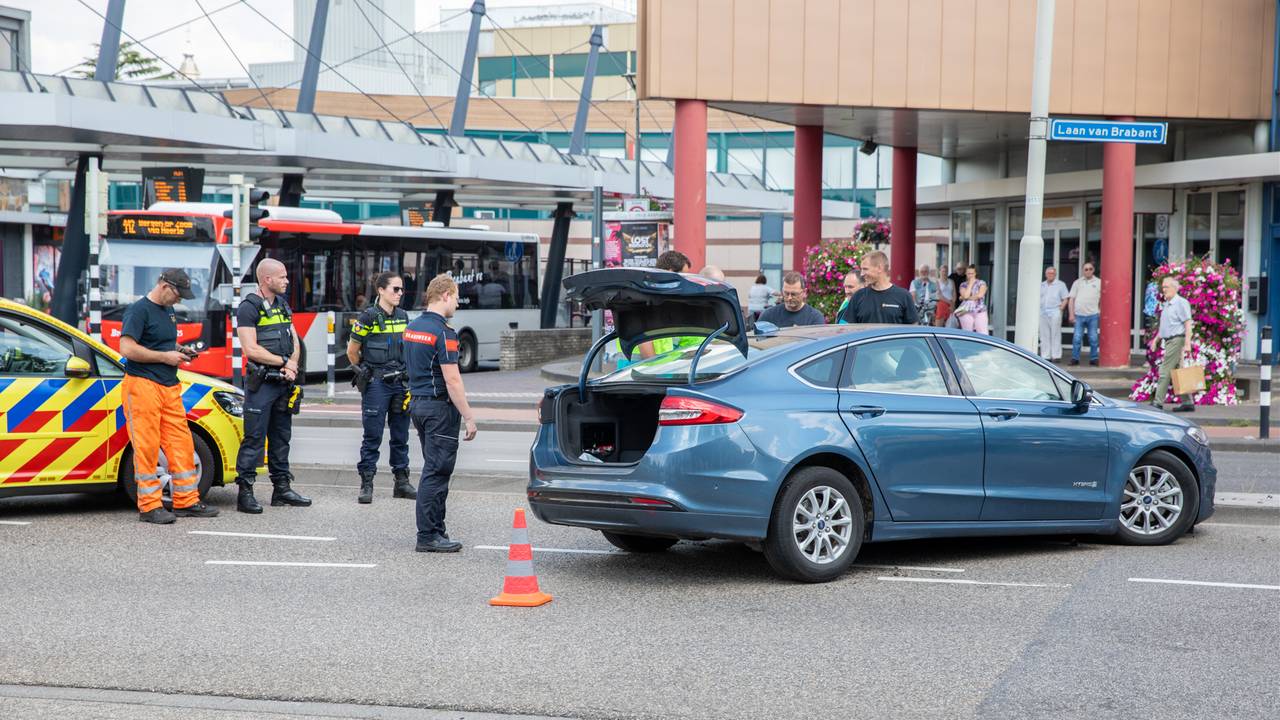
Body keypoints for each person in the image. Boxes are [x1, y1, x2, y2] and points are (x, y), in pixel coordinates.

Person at [119, 269, 219, 524]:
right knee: (147, 447)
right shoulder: (138, 311)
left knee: (181, 443)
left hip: (168, 386)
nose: (179, 299)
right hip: (142, 386)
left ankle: (186, 500)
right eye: (177, 294)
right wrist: (166, 357)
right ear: (164, 286)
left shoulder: (168, 310)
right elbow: (127, 348)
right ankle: (149, 507)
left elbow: (159, 342)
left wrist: (178, 349)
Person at [405, 274, 478, 553]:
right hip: (439, 409)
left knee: (433, 468)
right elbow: (453, 380)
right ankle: (428, 535)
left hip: (418, 405)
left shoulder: (412, 327)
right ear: (445, 295)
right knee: (437, 472)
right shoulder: (445, 333)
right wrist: (468, 417)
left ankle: (437, 529)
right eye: (456, 297)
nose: (457, 303)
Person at [234, 258, 311, 514]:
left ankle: (282, 489)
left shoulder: (282, 304)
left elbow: (294, 338)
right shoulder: (248, 308)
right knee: (254, 439)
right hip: (262, 384)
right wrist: (284, 363)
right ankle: (245, 493)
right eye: (282, 277)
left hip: (283, 383)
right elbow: (251, 349)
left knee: (281, 438)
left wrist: (292, 364)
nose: (286, 281)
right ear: (267, 279)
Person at [347, 272, 416, 504]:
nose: (400, 293)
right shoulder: (367, 317)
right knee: (372, 436)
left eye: (401, 289)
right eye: (395, 289)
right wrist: (366, 372)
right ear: (381, 290)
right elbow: (352, 352)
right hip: (377, 384)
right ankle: (367, 484)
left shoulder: (403, 316)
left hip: (400, 383)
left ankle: (402, 483)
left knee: (401, 436)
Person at [1151, 277, 1196, 412]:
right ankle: (1188, 403)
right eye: (1163, 287)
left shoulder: (1181, 303)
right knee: (1178, 372)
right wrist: (1156, 340)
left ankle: (1157, 402)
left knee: (1164, 371)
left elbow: (1188, 323)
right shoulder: (1167, 304)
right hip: (1169, 340)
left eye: (1166, 287)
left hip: (1177, 340)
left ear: (1175, 288)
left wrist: (1187, 343)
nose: (1163, 289)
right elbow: (1165, 326)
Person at [840, 251, 918, 324]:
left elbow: (913, 328)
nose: (862, 274)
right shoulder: (858, 296)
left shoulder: (903, 296)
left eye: (865, 269)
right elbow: (850, 329)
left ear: (879, 268)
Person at [758, 271, 826, 328]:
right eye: (786, 293)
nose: (789, 298)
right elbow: (756, 338)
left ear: (804, 292)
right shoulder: (768, 315)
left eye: (794, 294)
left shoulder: (815, 318)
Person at [1068, 262, 1102, 366]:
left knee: (1093, 338)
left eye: (1090, 269)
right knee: (1077, 338)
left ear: (1093, 270)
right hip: (1079, 315)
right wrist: (1071, 314)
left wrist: (1100, 310)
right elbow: (1071, 299)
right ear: (1083, 271)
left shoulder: (1099, 282)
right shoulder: (1077, 283)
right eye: (1086, 269)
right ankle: (1075, 358)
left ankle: (1094, 358)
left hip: (1093, 315)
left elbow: (1104, 298)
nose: (1088, 271)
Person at [1039, 267, 1070, 362]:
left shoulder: (1060, 284)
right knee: (1044, 335)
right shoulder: (1042, 285)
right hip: (1043, 311)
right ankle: (1046, 356)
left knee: (1055, 334)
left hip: (1055, 311)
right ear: (1045, 274)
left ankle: (1056, 356)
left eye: (1052, 273)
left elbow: (1066, 298)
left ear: (1055, 274)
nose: (1050, 275)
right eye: (1048, 273)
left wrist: (1061, 309)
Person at [956, 264, 990, 334]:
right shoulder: (963, 284)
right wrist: (970, 284)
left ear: (975, 273)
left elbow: (980, 295)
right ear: (966, 274)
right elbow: (965, 295)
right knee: (967, 333)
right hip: (966, 311)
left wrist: (965, 298)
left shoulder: (981, 283)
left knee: (983, 332)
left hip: (980, 310)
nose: (970, 275)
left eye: (972, 273)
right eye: (968, 273)